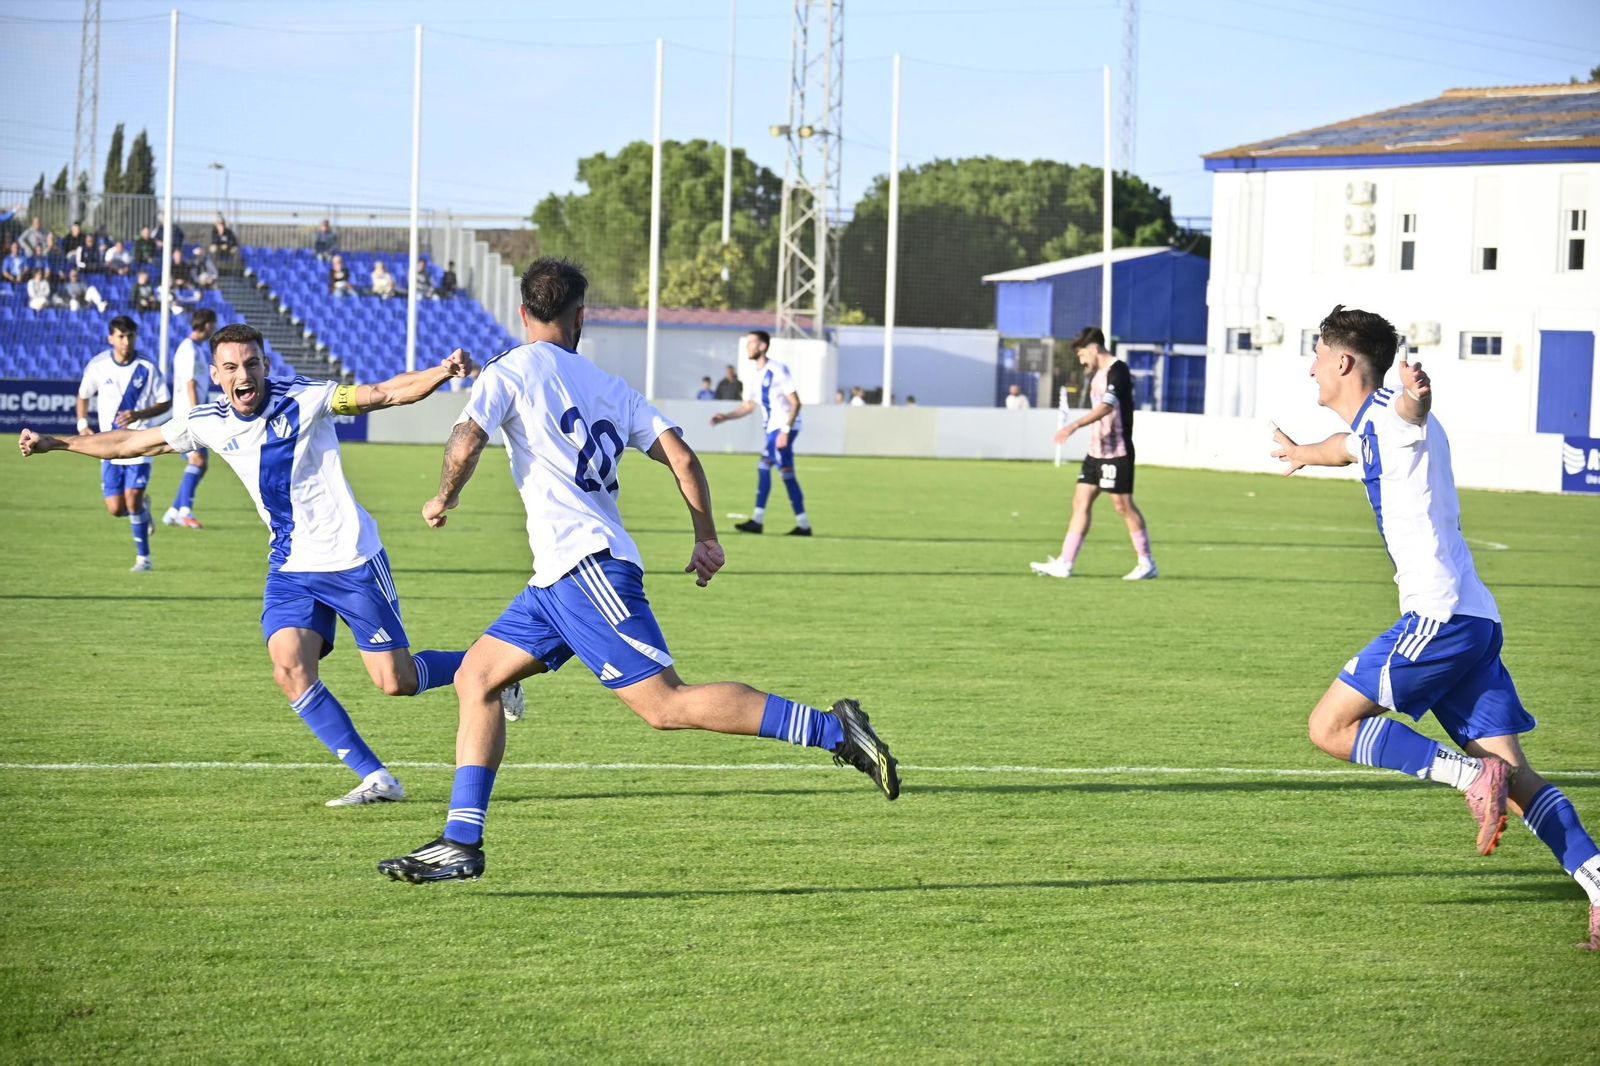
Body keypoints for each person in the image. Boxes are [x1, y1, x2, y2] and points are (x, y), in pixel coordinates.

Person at [373, 257, 899, 884]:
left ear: (522, 313)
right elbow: (680, 454)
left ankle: (831, 729)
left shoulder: (507, 369)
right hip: (559, 577)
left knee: (664, 705)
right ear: (580, 318)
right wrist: (705, 536)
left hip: (586, 568)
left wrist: (445, 496)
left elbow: (466, 438)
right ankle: (461, 842)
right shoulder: (610, 387)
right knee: (479, 679)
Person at [20, 324, 524, 806]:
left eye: (253, 363)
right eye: (231, 367)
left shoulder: (306, 398)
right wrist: (57, 441)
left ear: (266, 365)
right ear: (216, 375)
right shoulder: (206, 421)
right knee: (289, 669)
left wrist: (441, 373)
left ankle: (495, 671)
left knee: (396, 682)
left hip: (351, 560)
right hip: (290, 567)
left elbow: (383, 393)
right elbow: (132, 443)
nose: (244, 375)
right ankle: (377, 778)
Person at [1269, 303, 1600, 950]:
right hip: (1473, 617)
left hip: (1438, 616)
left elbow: (1406, 419)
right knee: (1519, 780)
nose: (1309, 366)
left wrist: (1418, 398)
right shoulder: (1369, 425)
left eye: (1315, 353)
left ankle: (1467, 777)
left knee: (1328, 726)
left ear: (1342, 361)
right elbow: (1349, 447)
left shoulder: (1396, 413)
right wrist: (1303, 454)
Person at [1030, 326, 1157, 581]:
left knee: (1122, 505)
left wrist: (1074, 424)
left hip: (1116, 452)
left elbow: (1107, 407)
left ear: (1094, 349)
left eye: (1081, 355)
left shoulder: (1118, 370)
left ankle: (1146, 563)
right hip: (1095, 453)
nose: (1081, 360)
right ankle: (1065, 563)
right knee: (1080, 501)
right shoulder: (1097, 375)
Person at [73, 316, 171, 571]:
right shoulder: (99, 365)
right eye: (120, 336)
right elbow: (83, 395)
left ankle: (144, 559)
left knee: (132, 499)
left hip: (140, 442)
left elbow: (165, 402)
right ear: (111, 338)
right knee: (116, 509)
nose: (126, 341)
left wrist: (138, 414)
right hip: (109, 445)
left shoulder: (147, 367)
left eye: (130, 336)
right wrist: (82, 424)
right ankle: (143, 511)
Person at [709, 331, 811, 536]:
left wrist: (786, 430)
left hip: (782, 428)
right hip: (772, 429)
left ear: (763, 346)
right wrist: (726, 417)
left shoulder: (778, 369)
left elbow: (795, 402)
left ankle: (793, 524)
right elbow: (748, 406)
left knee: (774, 469)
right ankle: (779, 522)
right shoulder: (753, 374)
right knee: (775, 470)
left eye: (751, 343)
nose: (748, 347)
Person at [162, 309, 218, 529]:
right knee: (197, 461)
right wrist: (197, 413)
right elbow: (190, 383)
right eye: (213, 325)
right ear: (206, 325)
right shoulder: (188, 350)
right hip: (188, 415)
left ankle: (173, 511)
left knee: (201, 464)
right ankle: (185, 512)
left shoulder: (196, 349)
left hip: (192, 413)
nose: (214, 329)